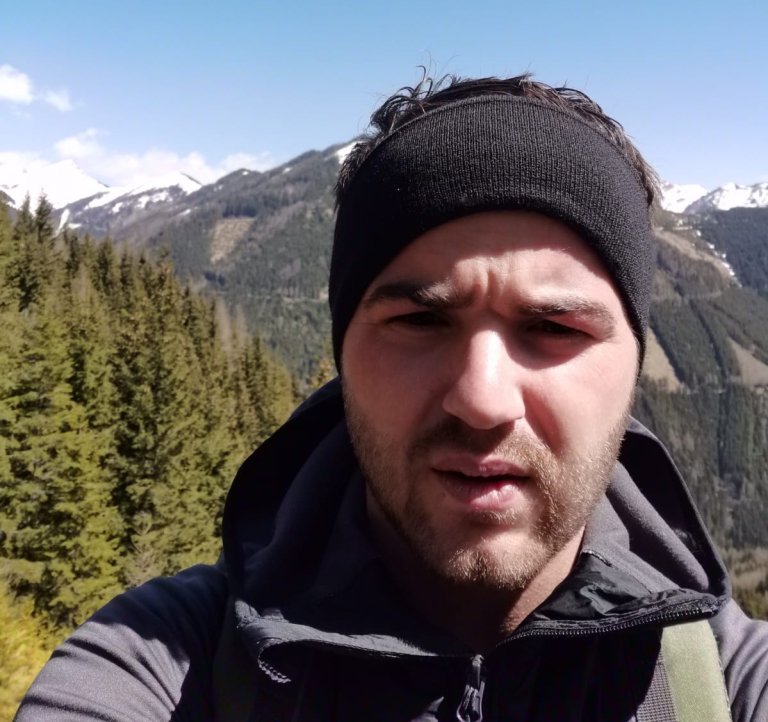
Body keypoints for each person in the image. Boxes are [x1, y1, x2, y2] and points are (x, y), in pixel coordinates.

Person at [16, 74, 768, 721]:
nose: (482, 399)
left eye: (553, 327)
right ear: (343, 352)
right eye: (419, 320)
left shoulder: (727, 685)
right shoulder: (166, 661)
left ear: (634, 364)